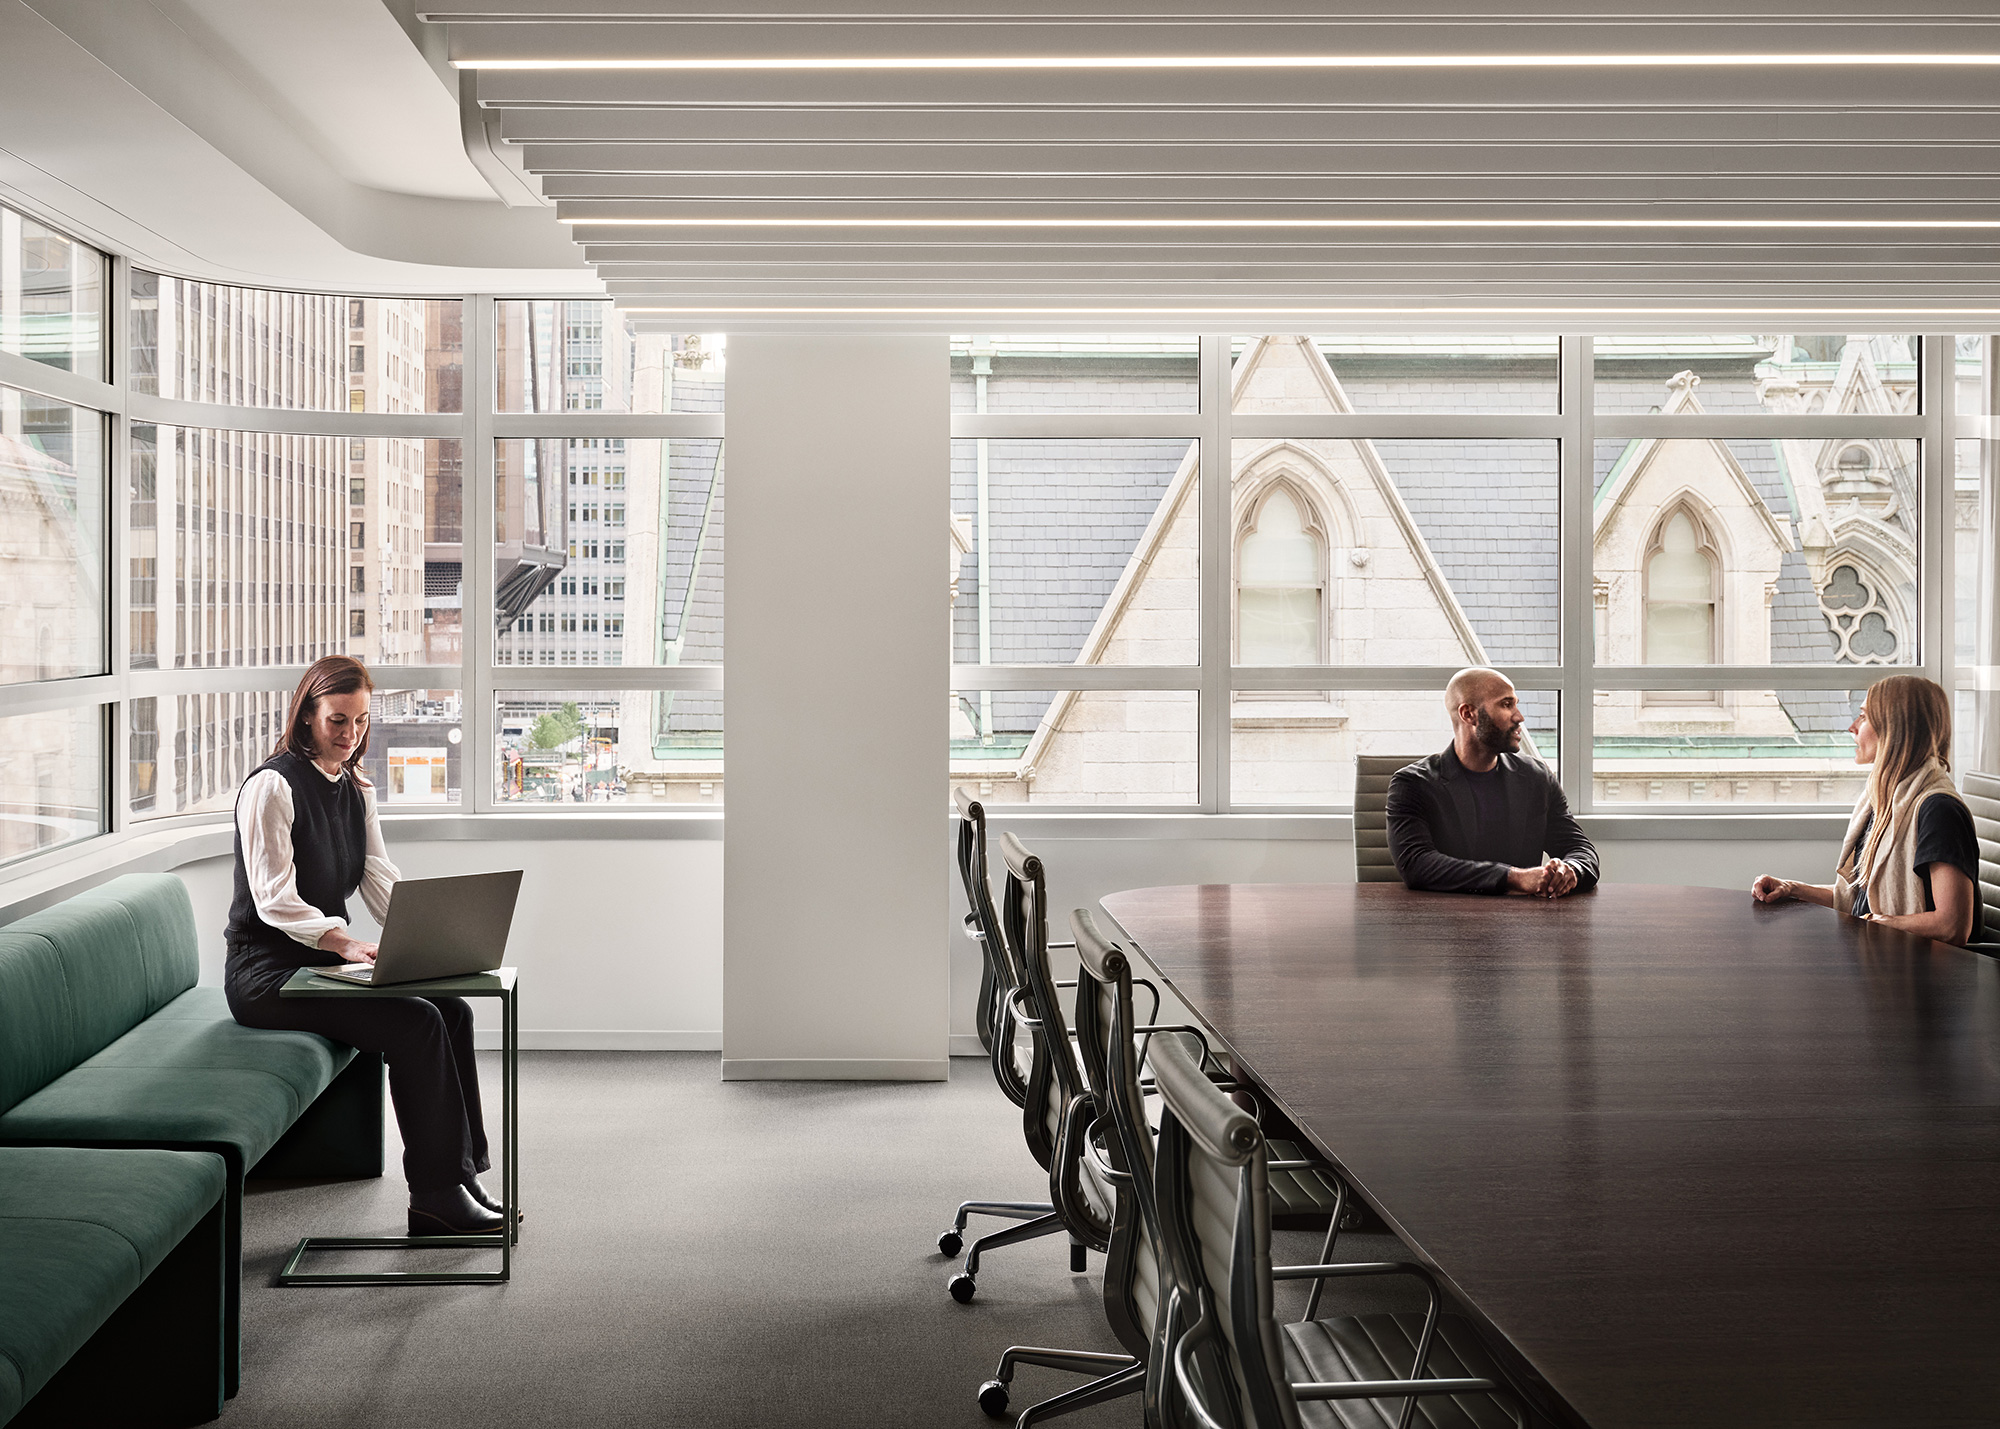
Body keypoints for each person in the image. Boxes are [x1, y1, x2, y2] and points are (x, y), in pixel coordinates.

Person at [224, 656, 506, 1236]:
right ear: (307, 717)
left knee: (450, 1011)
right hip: (266, 975)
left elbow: (379, 877)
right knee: (416, 1025)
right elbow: (274, 898)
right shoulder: (271, 787)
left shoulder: (356, 787)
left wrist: (434, 936)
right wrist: (346, 943)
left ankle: (459, 1177)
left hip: (321, 965)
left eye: (360, 721)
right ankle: (434, 1198)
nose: (351, 735)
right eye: (337, 721)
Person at [1753, 675, 1981, 946]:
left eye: (1863, 717)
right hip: (1883, 956)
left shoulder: (1939, 811)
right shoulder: (1886, 803)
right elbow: (1859, 901)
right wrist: (1791, 888)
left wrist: (1879, 925)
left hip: (1921, 974)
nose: (1852, 727)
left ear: (1893, 729)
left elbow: (1951, 926)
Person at [1386, 666, 1599, 897]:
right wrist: (1515, 878)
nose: (1519, 717)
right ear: (1469, 714)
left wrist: (1570, 871)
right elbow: (1417, 864)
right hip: (1445, 922)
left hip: (1522, 924)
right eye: (1506, 705)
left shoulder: (1536, 777)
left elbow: (1580, 849)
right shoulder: (1412, 784)